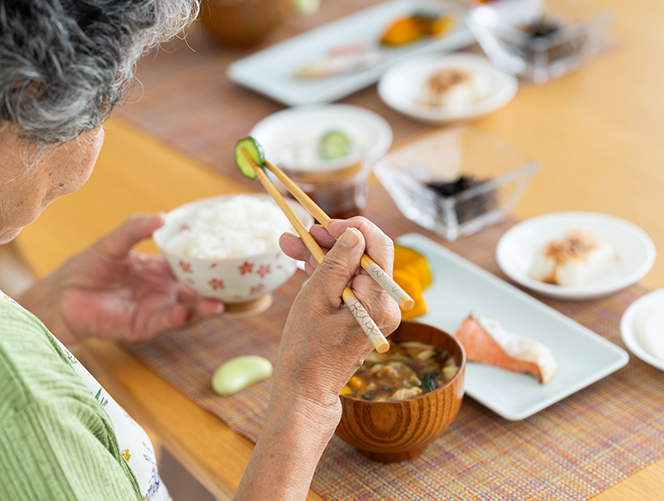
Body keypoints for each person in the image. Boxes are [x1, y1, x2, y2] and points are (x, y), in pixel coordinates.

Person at [0, 1, 400, 500]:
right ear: (29, 92)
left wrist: (50, 313)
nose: (97, 139)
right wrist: (307, 399)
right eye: (101, 105)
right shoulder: (27, 414)